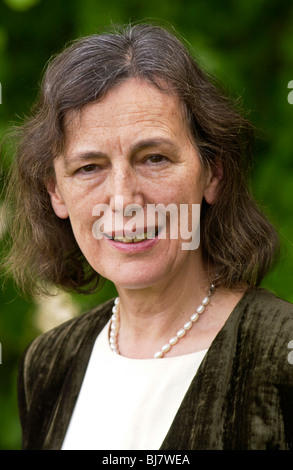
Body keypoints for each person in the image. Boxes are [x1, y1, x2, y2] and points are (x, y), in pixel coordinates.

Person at [3, 23, 293, 450]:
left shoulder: (281, 353)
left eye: (154, 158)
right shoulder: (49, 365)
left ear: (213, 172)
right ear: (55, 192)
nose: (123, 199)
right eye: (89, 167)